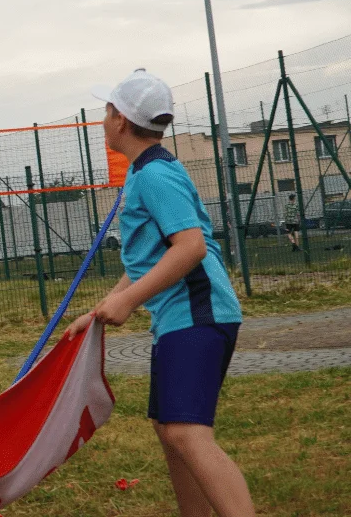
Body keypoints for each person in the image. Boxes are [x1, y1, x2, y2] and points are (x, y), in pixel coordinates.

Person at [68, 69, 254, 517]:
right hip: (181, 318)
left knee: (187, 433)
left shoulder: (154, 177)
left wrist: (128, 302)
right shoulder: (147, 171)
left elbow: (188, 247)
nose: (102, 120)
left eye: (106, 110)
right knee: (169, 430)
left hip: (199, 315)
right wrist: (101, 310)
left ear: (118, 120)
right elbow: (151, 261)